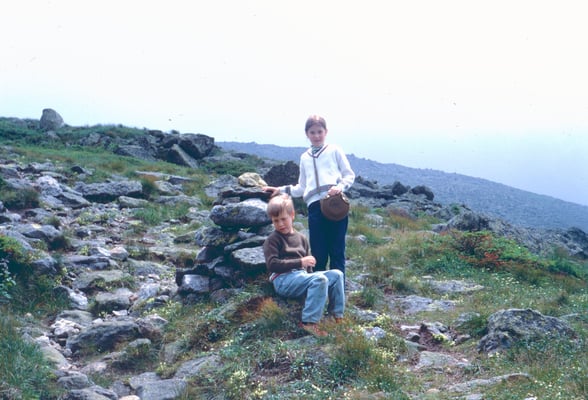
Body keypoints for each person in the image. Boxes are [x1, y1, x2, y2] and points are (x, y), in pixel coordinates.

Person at [264, 115, 355, 277]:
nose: (317, 136)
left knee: (337, 250)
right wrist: (279, 190)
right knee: (318, 252)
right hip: (314, 208)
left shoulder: (334, 150)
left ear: (326, 132)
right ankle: (320, 287)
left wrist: (339, 187)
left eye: (320, 131)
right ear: (307, 134)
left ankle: (338, 290)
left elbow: (349, 175)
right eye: (312, 132)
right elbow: (301, 188)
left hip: (335, 205)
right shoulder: (304, 157)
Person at [263, 194, 345, 336]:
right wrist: (300, 262)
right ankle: (309, 323)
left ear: (292, 215)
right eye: (276, 221)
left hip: (301, 276)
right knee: (320, 279)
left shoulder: (301, 238)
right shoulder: (272, 240)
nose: (280, 224)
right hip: (283, 279)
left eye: (283, 219)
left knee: (337, 274)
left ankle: (336, 317)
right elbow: (272, 265)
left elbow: (308, 267)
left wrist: (309, 270)